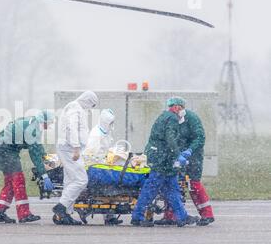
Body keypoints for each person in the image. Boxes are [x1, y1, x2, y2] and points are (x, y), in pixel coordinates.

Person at [131, 96, 199, 227]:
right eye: (182, 108)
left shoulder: (164, 116)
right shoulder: (172, 118)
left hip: (163, 158)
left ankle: (182, 217)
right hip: (162, 159)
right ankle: (137, 217)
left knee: (172, 189)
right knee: (152, 188)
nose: (183, 111)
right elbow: (170, 138)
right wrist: (179, 155)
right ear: (177, 107)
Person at [154, 104, 215, 226]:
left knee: (193, 184)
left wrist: (190, 150)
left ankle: (207, 214)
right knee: (173, 183)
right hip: (177, 156)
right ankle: (170, 215)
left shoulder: (191, 118)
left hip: (193, 157)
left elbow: (200, 137)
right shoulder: (171, 119)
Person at [0, 110, 55, 223]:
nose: (50, 125)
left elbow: (38, 148)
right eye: (49, 122)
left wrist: (48, 160)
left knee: (10, 182)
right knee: (18, 181)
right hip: (6, 151)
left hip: (0, 149)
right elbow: (35, 155)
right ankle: (24, 214)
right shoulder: (32, 129)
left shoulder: (33, 123)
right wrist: (44, 175)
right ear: (43, 121)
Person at [52, 91, 99, 225]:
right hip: (70, 148)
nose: (91, 107)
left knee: (70, 180)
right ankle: (61, 206)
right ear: (88, 100)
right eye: (92, 104)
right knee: (81, 180)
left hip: (69, 147)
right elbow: (71, 128)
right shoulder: (74, 108)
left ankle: (65, 213)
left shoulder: (75, 107)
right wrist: (76, 147)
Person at [83, 108, 123, 225]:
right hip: (96, 167)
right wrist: (104, 160)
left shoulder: (105, 132)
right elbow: (91, 154)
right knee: (110, 186)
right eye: (110, 122)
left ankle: (110, 215)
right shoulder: (96, 135)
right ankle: (109, 216)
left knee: (110, 187)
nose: (112, 125)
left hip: (102, 165)